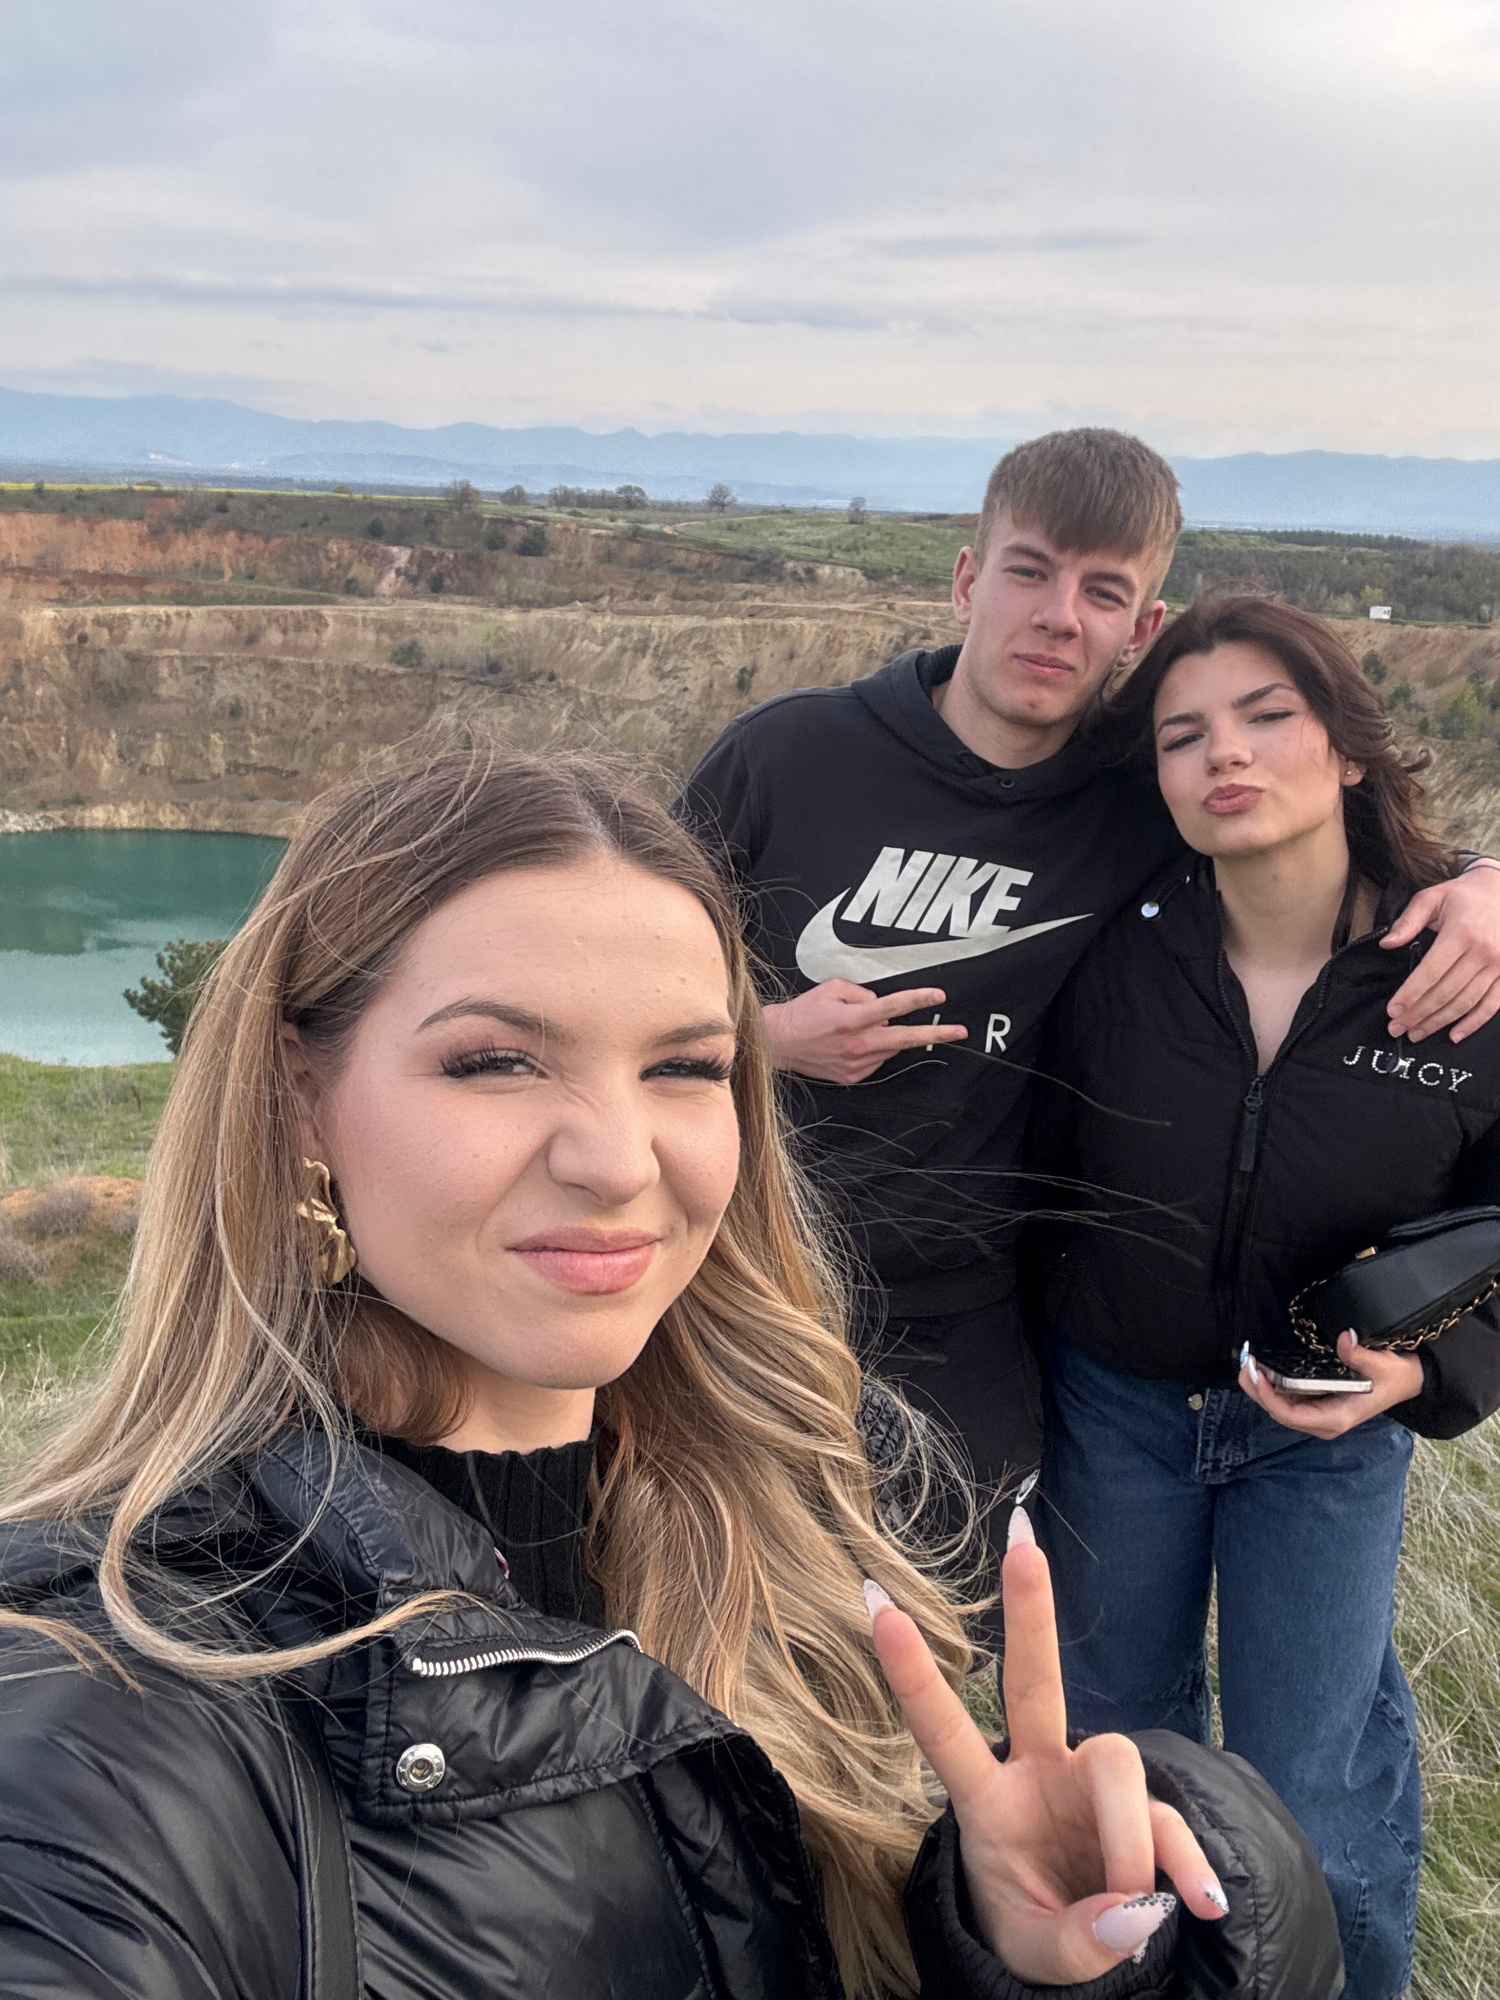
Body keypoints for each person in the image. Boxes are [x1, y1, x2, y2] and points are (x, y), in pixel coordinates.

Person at [0, 748, 1344, 2000]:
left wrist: (1006, 1949)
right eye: (495, 1060)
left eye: (687, 1066)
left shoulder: (792, 1532)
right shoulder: (108, 1719)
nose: (618, 1159)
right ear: (300, 1098)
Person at [678, 428, 1500, 1545]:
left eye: (1103, 591)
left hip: (966, 1322)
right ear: (967, 581)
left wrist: (1480, 882)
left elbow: (1305, 824)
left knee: (940, 1630)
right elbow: (608, 977)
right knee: (710, 1609)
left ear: (1140, 629)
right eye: (1029, 571)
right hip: (739, 1281)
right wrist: (761, 1036)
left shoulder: (1143, 797)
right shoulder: (787, 757)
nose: (1059, 616)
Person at [1028, 596, 1500, 2000]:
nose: (1223, 753)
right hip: (1117, 1413)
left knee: (1315, 1789)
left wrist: (1437, 1371)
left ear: (1348, 746)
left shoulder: (1464, 975)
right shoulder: (1109, 948)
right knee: (1120, 1760)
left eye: (1265, 716)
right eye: (1183, 736)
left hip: (1328, 1439)